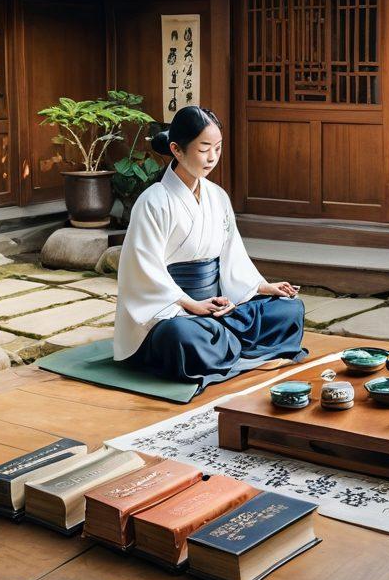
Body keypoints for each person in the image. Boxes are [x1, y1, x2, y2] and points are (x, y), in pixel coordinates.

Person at [114, 105, 306, 392]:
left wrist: (263, 287)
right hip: (172, 312)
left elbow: (232, 256)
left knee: (288, 310)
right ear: (177, 150)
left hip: (217, 308)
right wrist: (191, 305)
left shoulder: (218, 196)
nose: (213, 157)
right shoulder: (152, 202)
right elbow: (143, 270)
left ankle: (228, 347)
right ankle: (236, 348)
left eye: (218, 147)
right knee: (181, 336)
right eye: (204, 148)